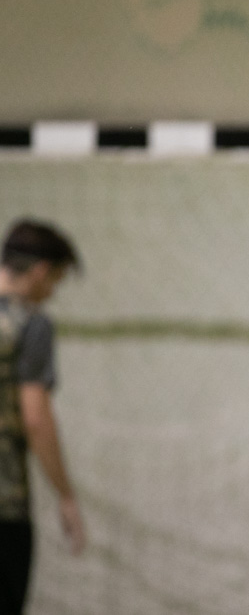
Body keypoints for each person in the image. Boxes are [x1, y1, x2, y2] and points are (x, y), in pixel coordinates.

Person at [0, 219, 86, 614]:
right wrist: (65, 496)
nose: (51, 294)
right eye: (55, 281)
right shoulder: (30, 325)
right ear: (39, 271)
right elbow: (35, 418)